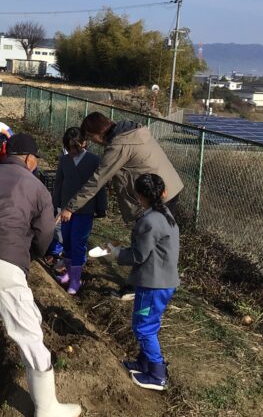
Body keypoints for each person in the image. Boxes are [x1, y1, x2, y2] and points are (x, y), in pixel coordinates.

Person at [0, 133, 82, 416]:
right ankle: (47, 408)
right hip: (6, 263)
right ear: (30, 159)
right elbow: (45, 233)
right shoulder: (36, 187)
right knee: (28, 332)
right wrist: (30, 253)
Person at [107, 173, 180, 392]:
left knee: (144, 327)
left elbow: (138, 255)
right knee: (148, 322)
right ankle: (143, 362)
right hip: (162, 280)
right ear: (163, 192)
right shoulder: (166, 213)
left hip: (154, 284)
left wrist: (115, 254)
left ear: (140, 197)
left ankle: (157, 375)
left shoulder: (149, 221)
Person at [63, 112, 184, 224]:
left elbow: (97, 180)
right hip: (170, 185)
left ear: (97, 133)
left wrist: (70, 207)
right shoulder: (131, 132)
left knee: (152, 235)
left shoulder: (119, 145)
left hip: (156, 194)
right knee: (162, 233)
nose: (92, 141)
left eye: (90, 137)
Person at [50, 127, 107, 295]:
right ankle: (68, 273)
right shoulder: (64, 160)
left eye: (76, 147)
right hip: (65, 208)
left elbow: (100, 185)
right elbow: (59, 183)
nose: (73, 151)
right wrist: (56, 205)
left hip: (85, 209)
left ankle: (76, 280)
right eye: (69, 148)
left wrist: (101, 206)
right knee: (66, 240)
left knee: (78, 243)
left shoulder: (94, 160)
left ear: (84, 143)